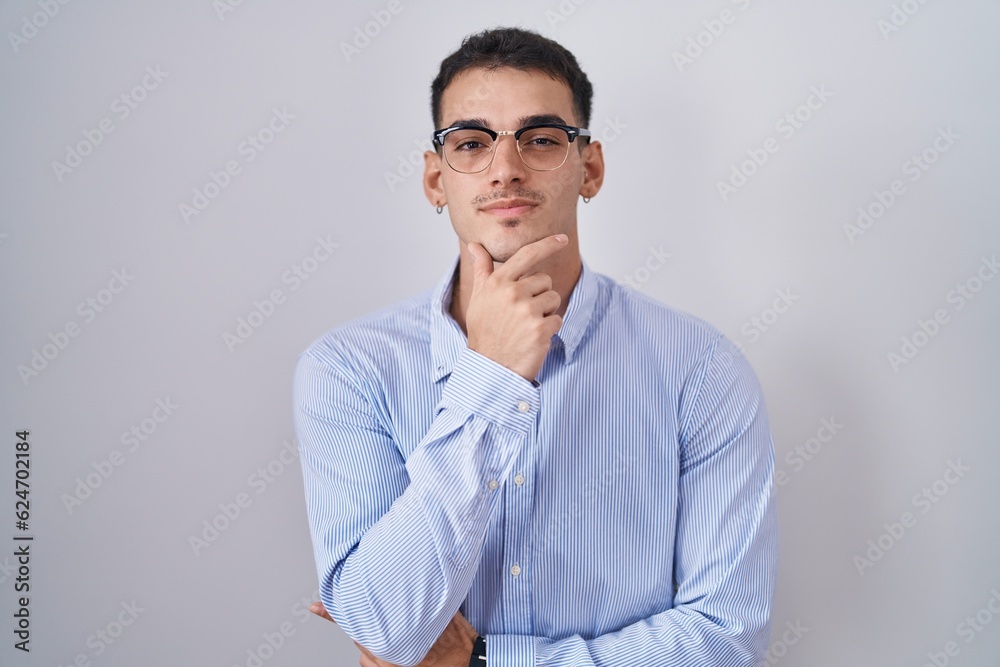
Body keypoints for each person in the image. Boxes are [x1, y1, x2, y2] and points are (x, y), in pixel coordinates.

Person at [293, 26, 778, 667]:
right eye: (472, 142)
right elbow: (385, 625)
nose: (506, 169)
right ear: (436, 180)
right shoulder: (348, 369)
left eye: (542, 139)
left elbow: (727, 640)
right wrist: (489, 373)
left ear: (590, 169)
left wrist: (485, 661)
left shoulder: (700, 368)